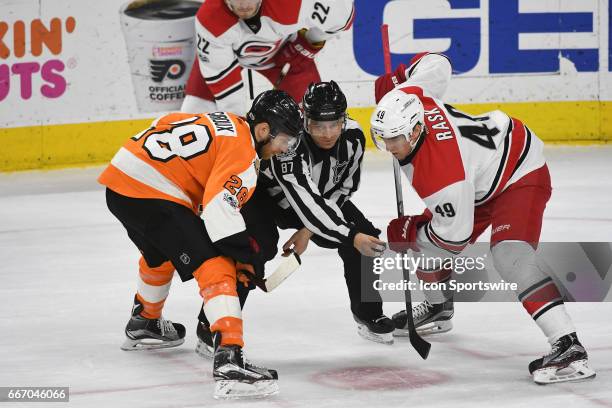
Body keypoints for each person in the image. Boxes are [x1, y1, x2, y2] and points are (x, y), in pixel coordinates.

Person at [369, 52, 596, 384]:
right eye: (383, 137)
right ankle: (438, 308)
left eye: (396, 139)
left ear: (417, 130)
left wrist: (411, 231)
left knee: (508, 255)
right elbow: (438, 64)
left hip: (518, 171)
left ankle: (568, 346)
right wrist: (402, 78)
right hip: (477, 178)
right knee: (426, 243)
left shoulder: (441, 178)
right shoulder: (409, 98)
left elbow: (451, 242)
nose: (389, 146)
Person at [98, 90, 302, 398]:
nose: (284, 147)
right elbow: (220, 213)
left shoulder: (226, 122)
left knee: (159, 253)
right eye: (284, 139)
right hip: (152, 190)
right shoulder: (244, 155)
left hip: (120, 183)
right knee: (215, 265)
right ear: (263, 131)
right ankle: (229, 360)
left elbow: (165, 123)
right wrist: (244, 259)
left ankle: (145, 321)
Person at [195, 81, 393, 357]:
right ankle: (211, 325)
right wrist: (321, 227)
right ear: (305, 121)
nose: (326, 133)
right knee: (255, 250)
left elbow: (343, 190)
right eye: (317, 125)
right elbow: (301, 196)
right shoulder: (290, 144)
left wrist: (308, 231)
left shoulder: (354, 138)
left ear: (344, 119)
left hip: (315, 204)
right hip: (265, 200)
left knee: (364, 236)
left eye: (334, 124)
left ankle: (368, 314)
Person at [181, 0, 355, 115]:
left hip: (284, 55)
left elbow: (342, 17)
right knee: (192, 115)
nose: (243, 4)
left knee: (315, 115)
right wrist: (238, 128)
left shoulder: (293, 3)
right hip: (225, 59)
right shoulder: (210, 19)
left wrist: (308, 43)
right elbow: (228, 94)